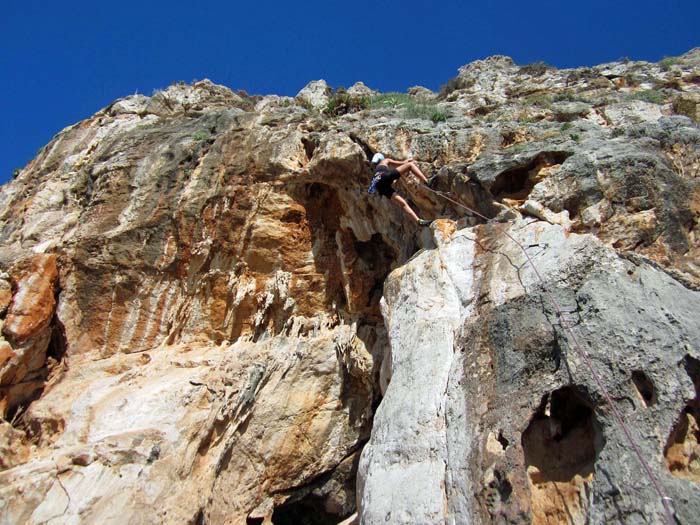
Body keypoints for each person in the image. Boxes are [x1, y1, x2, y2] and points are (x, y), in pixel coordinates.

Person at [368, 153, 437, 226]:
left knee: (403, 203)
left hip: (379, 186)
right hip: (384, 177)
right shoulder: (384, 161)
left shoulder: (375, 172)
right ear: (381, 158)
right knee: (410, 165)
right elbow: (401, 163)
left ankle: (418, 221)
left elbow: (383, 181)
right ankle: (427, 181)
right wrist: (406, 161)